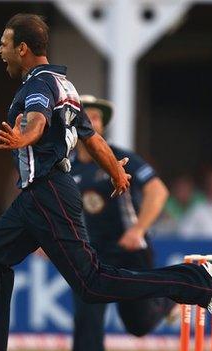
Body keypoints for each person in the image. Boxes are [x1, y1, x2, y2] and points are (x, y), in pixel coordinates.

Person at [0, 13, 212, 351]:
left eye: (4, 44)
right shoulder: (65, 85)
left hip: (47, 192)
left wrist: (25, 138)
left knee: (92, 284)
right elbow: (92, 139)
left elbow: (36, 119)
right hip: (36, 197)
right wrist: (116, 171)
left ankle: (197, 283)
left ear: (22, 49)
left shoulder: (37, 85)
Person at [69, 95, 175, 351]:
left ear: (103, 125)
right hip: (92, 255)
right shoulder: (66, 165)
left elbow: (158, 191)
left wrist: (138, 230)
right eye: (84, 116)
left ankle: (170, 298)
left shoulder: (118, 157)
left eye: (95, 117)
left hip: (128, 249)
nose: (90, 122)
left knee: (138, 325)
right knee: (87, 321)